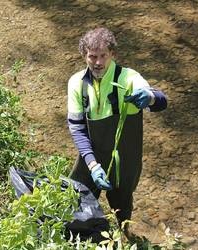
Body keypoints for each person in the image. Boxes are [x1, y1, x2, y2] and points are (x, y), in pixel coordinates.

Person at [67, 27, 167, 228]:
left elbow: (161, 101)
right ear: (84, 56)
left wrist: (149, 97)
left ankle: (124, 235)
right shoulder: (76, 83)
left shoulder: (128, 78)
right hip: (91, 158)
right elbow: (77, 128)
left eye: (103, 56)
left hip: (124, 160)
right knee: (78, 202)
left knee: (122, 208)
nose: (98, 62)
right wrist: (93, 165)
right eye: (92, 56)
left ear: (113, 54)